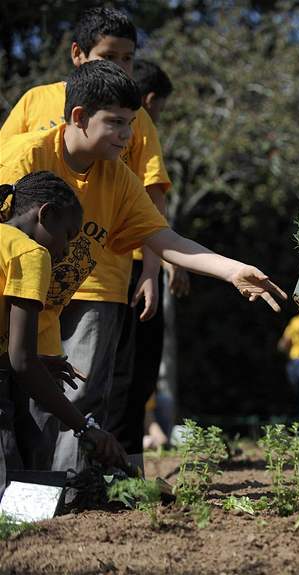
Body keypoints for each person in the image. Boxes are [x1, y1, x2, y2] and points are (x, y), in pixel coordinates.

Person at [0, 60, 287, 477]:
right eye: (116, 123)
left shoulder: (117, 178)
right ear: (78, 117)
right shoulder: (22, 159)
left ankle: (52, 507)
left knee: (40, 433)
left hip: (40, 319)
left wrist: (231, 270)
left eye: (132, 123)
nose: (128, 135)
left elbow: (163, 239)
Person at [0, 7, 177, 455]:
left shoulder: (122, 150)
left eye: (128, 59)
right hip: (26, 285)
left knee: (66, 394)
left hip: (99, 280)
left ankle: (62, 490)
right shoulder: (31, 122)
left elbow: (154, 216)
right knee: (19, 400)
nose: (126, 134)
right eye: (108, 55)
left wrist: (156, 271)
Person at [0, 172, 127, 496]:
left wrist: (39, 361)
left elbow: (22, 357)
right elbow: (21, 363)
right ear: (46, 215)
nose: (68, 250)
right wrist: (85, 427)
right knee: (11, 499)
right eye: (68, 235)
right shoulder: (31, 254)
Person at [107, 59, 188, 453]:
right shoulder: (143, 125)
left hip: (98, 261)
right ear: (151, 99)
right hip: (139, 263)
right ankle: (123, 458)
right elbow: (156, 204)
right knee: (136, 367)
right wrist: (169, 262)